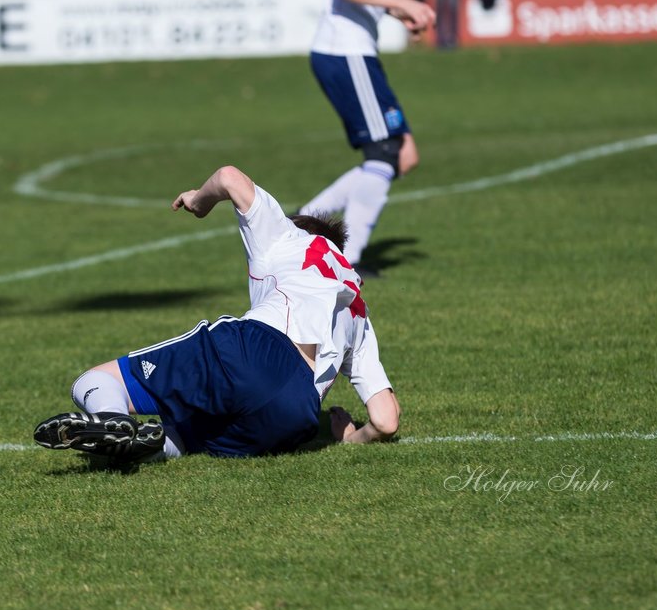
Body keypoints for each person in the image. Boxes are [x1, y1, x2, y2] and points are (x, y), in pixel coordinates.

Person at [33, 165, 401, 464]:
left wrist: (199, 201)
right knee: (194, 438)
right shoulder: (358, 310)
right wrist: (352, 437)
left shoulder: (289, 236)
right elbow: (386, 421)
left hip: (254, 349)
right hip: (294, 412)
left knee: (94, 381)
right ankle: (146, 444)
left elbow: (229, 177)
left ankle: (113, 421)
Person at [300, 0, 434, 278]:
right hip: (343, 50)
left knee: (403, 154)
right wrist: (401, 0)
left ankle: (304, 223)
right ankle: (346, 258)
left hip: (357, 50)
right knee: (384, 151)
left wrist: (398, 10)